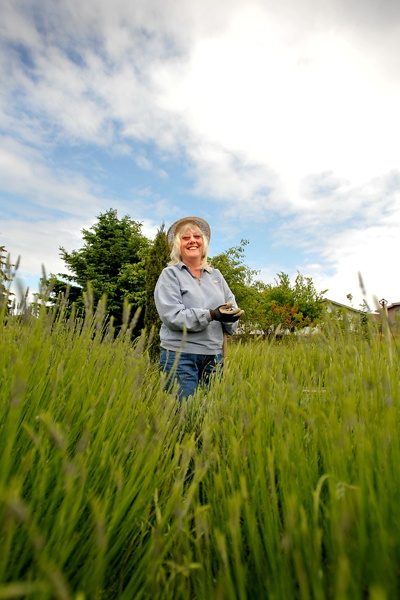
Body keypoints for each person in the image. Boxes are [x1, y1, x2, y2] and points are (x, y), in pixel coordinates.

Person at [154, 216, 244, 401]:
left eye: (197, 236)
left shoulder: (216, 275)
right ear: (178, 245)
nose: (192, 240)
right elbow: (172, 316)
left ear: (204, 243)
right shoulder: (170, 274)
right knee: (183, 416)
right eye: (186, 238)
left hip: (214, 357)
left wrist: (231, 317)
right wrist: (211, 315)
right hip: (180, 357)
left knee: (211, 414)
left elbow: (231, 304)